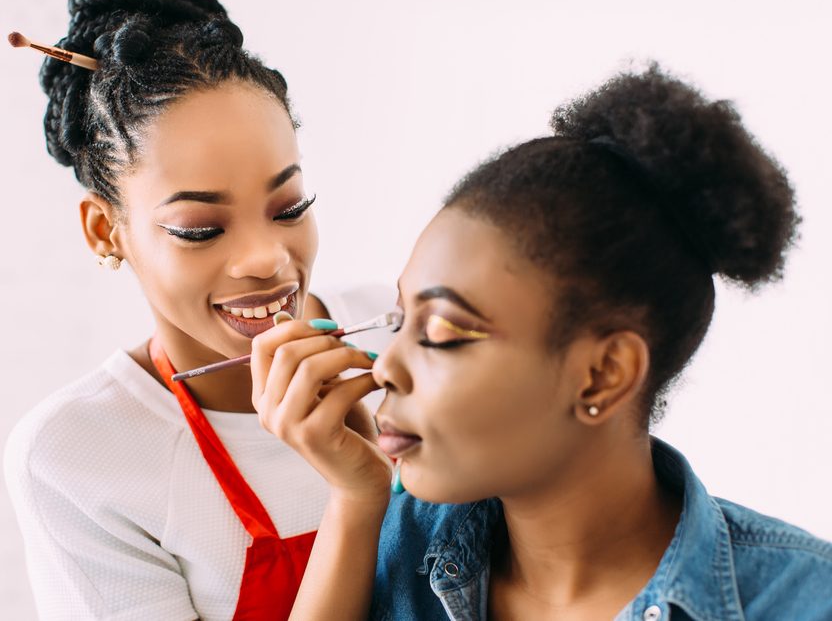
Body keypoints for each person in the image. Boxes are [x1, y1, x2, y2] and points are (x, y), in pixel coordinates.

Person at [251, 65, 832, 620]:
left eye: (441, 332)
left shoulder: (804, 601)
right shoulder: (397, 538)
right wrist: (354, 503)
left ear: (603, 374)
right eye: (400, 320)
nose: (385, 371)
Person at [3, 0, 391, 619]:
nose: (267, 260)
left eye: (290, 207)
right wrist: (358, 500)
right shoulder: (76, 454)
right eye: (200, 228)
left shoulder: (399, 325)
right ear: (105, 231)